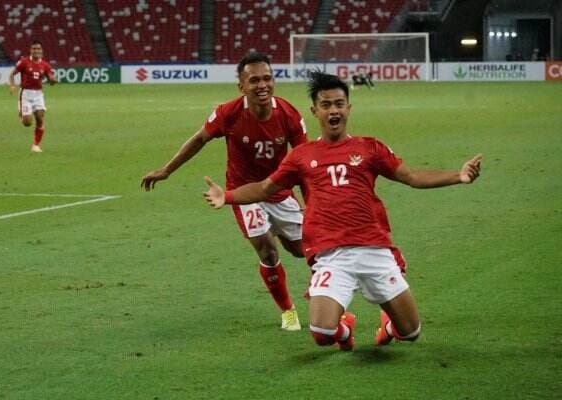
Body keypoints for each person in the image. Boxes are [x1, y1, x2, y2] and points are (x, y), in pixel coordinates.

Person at [203, 71, 482, 351]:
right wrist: (226, 196)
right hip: (332, 256)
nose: (333, 111)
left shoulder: (370, 147)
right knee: (321, 332)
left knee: (411, 333)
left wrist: (458, 176)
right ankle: (345, 332)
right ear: (315, 111)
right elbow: (264, 189)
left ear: (348, 108)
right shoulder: (301, 156)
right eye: (326, 105)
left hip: (374, 250)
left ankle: (388, 325)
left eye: (338, 104)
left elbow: (412, 177)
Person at [141, 52, 308, 331]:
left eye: (267, 78)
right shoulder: (228, 113)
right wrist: (167, 170)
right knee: (267, 252)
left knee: (302, 251)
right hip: (244, 195)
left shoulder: (289, 114)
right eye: (254, 80)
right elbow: (199, 139)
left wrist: (312, 203)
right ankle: (288, 310)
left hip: (280, 193)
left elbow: (304, 162)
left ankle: (280, 232)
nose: (262, 85)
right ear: (241, 86)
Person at [8, 40, 57, 153]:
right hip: (25, 94)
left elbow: (51, 79)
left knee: (40, 118)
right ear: (30, 50)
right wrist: (12, 85)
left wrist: (53, 80)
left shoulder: (45, 65)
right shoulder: (24, 62)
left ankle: (36, 145)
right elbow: (12, 74)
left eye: (38, 49)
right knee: (28, 123)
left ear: (41, 51)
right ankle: (22, 113)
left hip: (38, 94)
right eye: (34, 49)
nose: (36, 51)